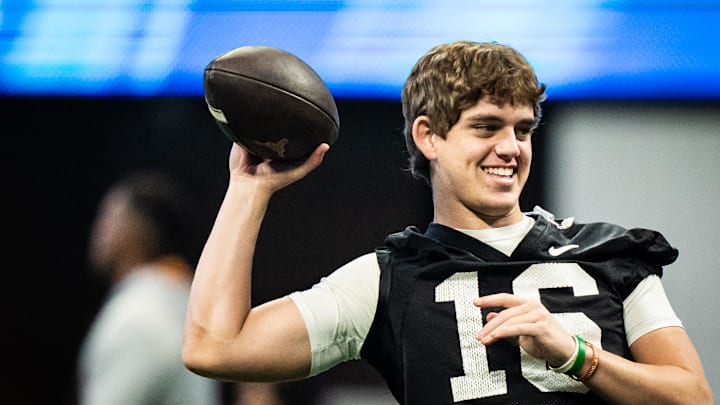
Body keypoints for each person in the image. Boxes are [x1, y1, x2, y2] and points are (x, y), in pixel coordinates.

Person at [182, 41, 713, 404]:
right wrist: (247, 191)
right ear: (428, 137)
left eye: (523, 129)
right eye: (486, 126)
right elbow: (214, 347)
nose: (510, 147)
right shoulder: (384, 281)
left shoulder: (609, 253)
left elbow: (693, 396)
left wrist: (576, 355)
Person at [78, 170, 221, 405]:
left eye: (108, 217)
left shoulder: (138, 315)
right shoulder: (183, 303)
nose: (97, 230)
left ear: (139, 230)